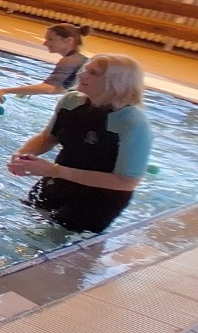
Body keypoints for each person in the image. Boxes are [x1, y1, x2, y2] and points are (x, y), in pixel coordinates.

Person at [8, 54, 153, 235]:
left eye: (93, 73)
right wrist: (22, 154)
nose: (81, 74)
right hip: (59, 181)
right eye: (85, 69)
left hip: (99, 199)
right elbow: (48, 137)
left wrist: (54, 170)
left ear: (116, 82)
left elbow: (127, 181)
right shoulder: (71, 101)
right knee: (25, 229)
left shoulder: (132, 123)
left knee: (59, 242)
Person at [0, 23, 91, 105]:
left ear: (68, 40)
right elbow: (62, 89)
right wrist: (29, 91)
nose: (45, 43)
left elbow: (49, 88)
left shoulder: (69, 61)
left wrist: (4, 90)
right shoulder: (80, 59)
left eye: (50, 39)